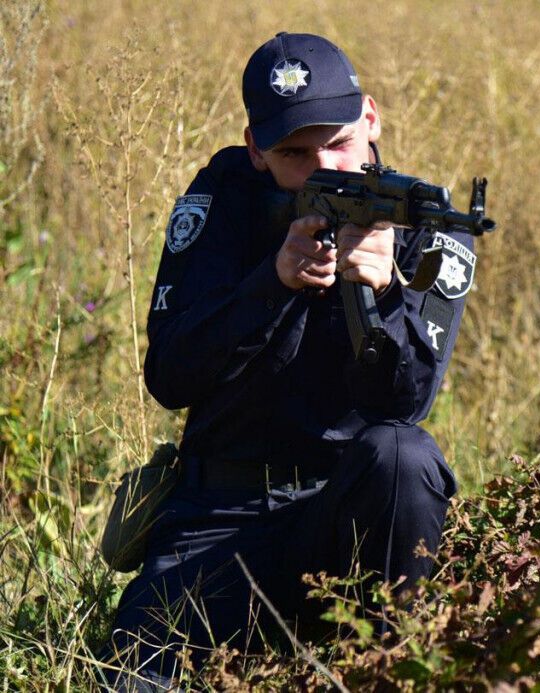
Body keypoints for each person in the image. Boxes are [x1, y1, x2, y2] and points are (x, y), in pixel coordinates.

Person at [102, 32, 474, 689]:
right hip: (220, 517)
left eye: (337, 141)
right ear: (255, 149)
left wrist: (385, 291)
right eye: (294, 153)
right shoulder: (224, 199)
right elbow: (170, 375)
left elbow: (408, 403)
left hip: (343, 518)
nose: (322, 165)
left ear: (372, 118)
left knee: (404, 455)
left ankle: (391, 660)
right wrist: (271, 283)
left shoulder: (424, 226)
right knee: (129, 673)